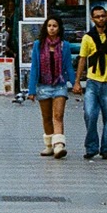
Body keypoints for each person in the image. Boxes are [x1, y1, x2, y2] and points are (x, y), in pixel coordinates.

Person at [72, 6, 107, 160]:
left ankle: (106, 148)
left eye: (103, 16)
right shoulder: (88, 37)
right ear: (92, 19)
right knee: (90, 114)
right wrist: (77, 82)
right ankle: (91, 147)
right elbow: (82, 59)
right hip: (93, 81)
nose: (101, 19)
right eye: (97, 16)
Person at [27, 15, 72, 158]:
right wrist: (31, 90)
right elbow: (34, 67)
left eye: (55, 26)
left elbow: (69, 66)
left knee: (58, 115)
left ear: (59, 28)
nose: (52, 28)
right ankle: (49, 146)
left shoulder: (64, 46)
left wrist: (75, 83)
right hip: (43, 85)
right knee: (46, 117)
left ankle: (59, 145)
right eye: (49, 26)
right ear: (45, 28)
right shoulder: (38, 45)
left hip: (60, 85)